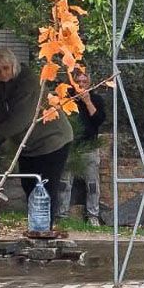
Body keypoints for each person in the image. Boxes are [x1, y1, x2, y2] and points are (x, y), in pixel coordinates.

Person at [0, 47, 74, 214]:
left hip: (53, 140)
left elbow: (21, 118)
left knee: (46, 188)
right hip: (28, 146)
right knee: (29, 186)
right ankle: (35, 228)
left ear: (13, 65)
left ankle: (45, 231)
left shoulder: (29, 82)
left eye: (5, 68)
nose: (2, 73)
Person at [56, 66, 107, 226]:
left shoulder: (96, 99)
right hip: (69, 146)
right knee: (64, 183)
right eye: (78, 81)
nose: (82, 84)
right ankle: (61, 215)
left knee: (92, 183)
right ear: (72, 82)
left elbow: (99, 120)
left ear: (89, 82)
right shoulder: (66, 99)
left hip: (89, 146)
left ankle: (93, 215)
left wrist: (87, 101)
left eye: (85, 81)